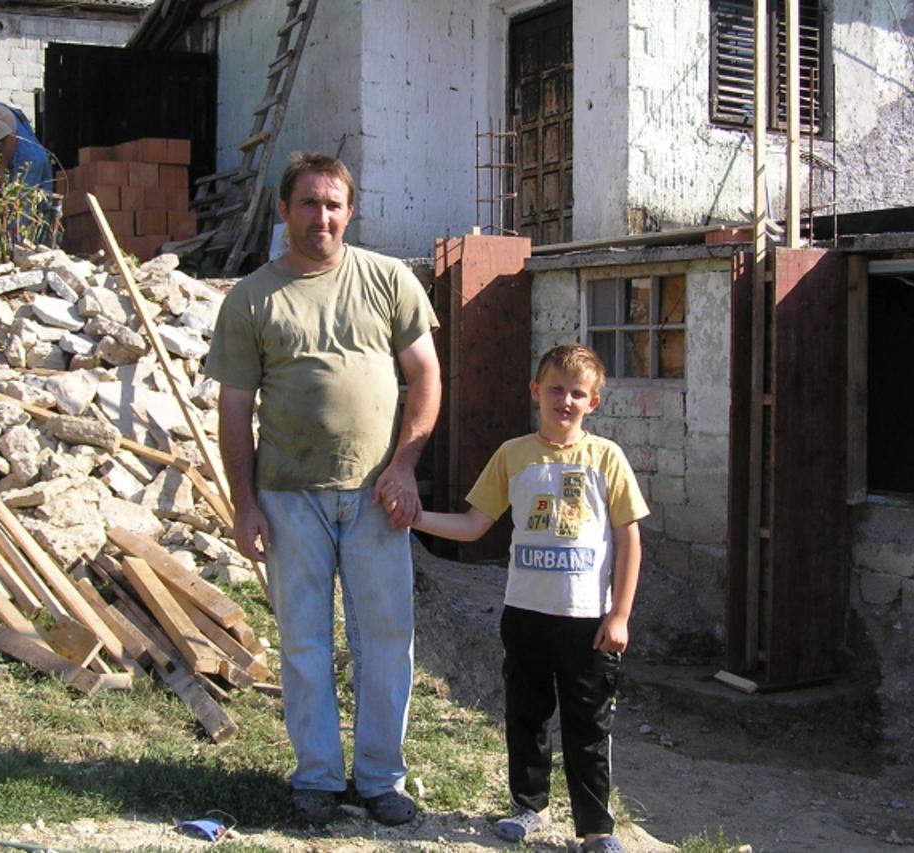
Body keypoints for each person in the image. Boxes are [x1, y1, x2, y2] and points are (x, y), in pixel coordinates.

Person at [206, 152, 440, 827]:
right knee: (304, 641)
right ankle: (316, 775)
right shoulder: (252, 297)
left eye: (334, 203)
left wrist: (405, 465)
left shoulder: (388, 279)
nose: (322, 216)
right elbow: (233, 409)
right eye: (308, 203)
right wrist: (244, 503)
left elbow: (425, 375)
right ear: (284, 210)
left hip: (376, 496)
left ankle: (378, 778)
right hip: (288, 496)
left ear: (350, 209)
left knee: (387, 636)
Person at [410, 343, 648, 853]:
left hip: (587, 621)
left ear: (594, 403)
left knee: (588, 726)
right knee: (526, 716)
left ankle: (596, 830)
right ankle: (528, 808)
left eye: (578, 393)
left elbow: (629, 540)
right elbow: (474, 525)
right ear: (535, 391)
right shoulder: (513, 455)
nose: (565, 400)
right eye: (556, 389)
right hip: (524, 617)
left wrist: (621, 614)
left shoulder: (607, 458)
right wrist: (416, 517)